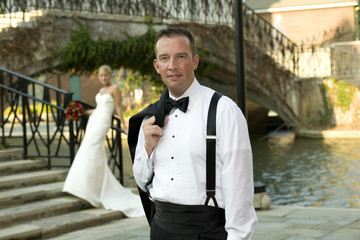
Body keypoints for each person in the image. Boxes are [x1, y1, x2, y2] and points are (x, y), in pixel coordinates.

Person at [128, 28, 257, 239]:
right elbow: (142, 182)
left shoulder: (224, 110)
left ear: (194, 61)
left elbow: (239, 187)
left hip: (207, 231)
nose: (172, 66)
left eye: (181, 56)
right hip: (160, 229)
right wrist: (147, 149)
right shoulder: (150, 118)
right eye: (164, 58)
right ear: (156, 66)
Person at [63, 65, 144, 218]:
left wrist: (124, 124)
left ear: (110, 75)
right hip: (93, 120)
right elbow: (98, 108)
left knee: (91, 149)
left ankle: (90, 188)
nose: (103, 78)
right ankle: (88, 186)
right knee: (88, 149)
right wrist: (80, 111)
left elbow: (118, 108)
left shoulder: (115, 89)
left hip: (103, 123)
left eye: (106, 75)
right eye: (101, 76)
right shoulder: (100, 91)